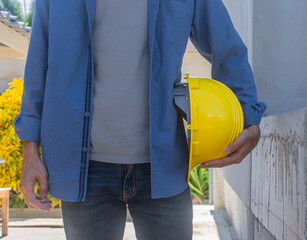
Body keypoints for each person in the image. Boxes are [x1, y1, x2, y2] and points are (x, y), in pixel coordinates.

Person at [14, 0, 267, 239]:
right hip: (85, 172)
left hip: (162, 167)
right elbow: (38, 62)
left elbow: (227, 48)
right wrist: (30, 152)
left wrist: (248, 117)